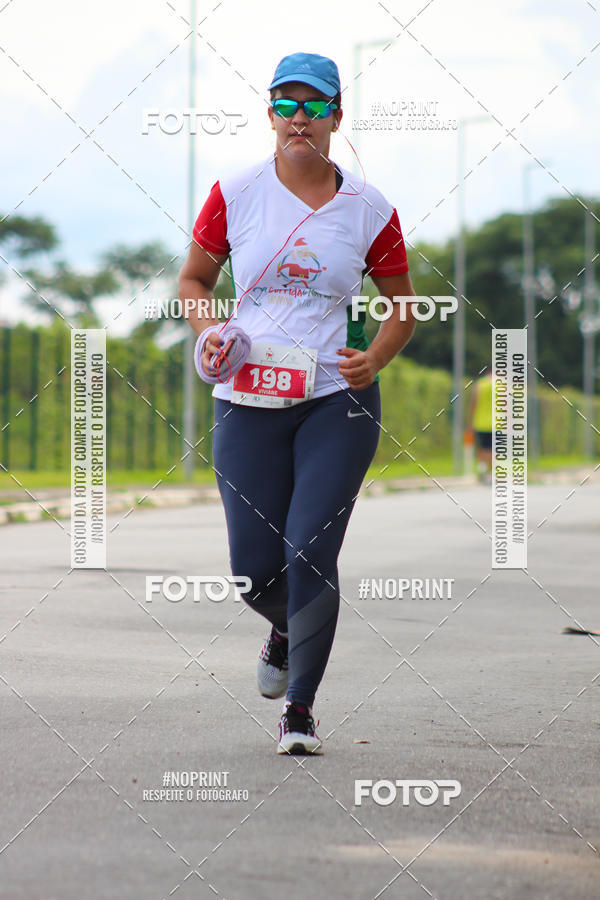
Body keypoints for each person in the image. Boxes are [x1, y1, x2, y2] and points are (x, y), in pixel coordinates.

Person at [178, 52, 417, 754]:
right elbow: (194, 280)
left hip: (334, 403)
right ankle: (285, 625)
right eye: (286, 104)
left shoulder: (370, 208)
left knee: (310, 550)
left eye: (314, 106)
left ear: (338, 116)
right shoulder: (236, 192)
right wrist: (211, 328)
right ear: (271, 116)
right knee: (256, 569)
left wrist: (373, 357)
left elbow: (402, 308)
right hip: (246, 399)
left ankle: (301, 713)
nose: (300, 118)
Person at [467, 371, 494, 482]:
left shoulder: (480, 384)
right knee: (493, 449)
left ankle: (482, 470)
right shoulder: (501, 385)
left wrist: (469, 421)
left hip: (480, 422)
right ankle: (490, 473)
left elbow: (474, 403)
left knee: (482, 448)